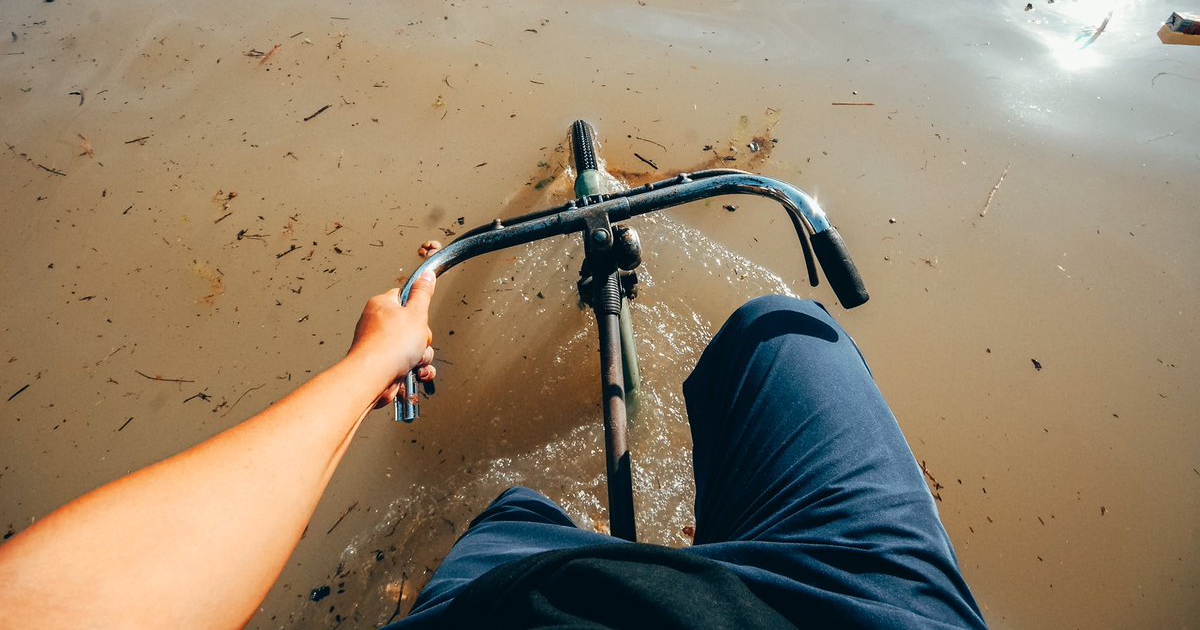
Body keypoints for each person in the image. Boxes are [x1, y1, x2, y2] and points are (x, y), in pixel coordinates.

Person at [0, 267, 987, 629]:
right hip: (851, 608)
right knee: (783, 328)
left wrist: (371, 365)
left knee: (516, 515)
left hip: (540, 605)